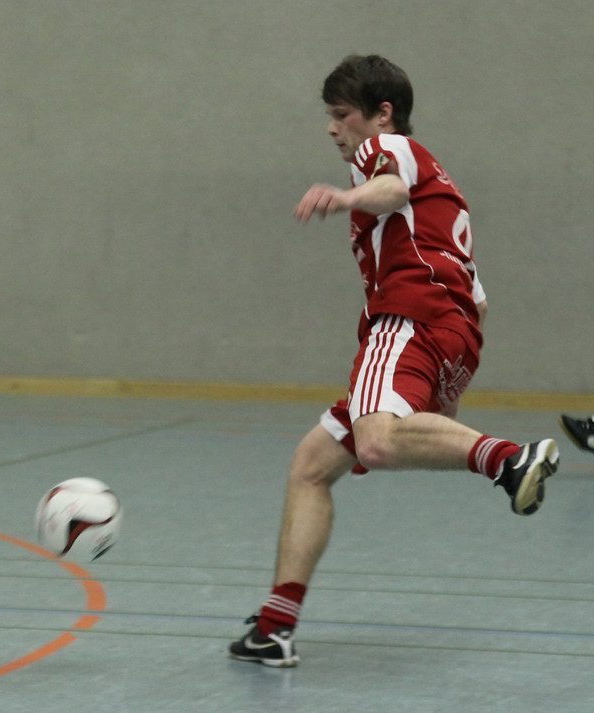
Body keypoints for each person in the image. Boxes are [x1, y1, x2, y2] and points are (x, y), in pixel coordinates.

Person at [228, 55, 559, 668]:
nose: (333, 129)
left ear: (382, 114)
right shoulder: (443, 196)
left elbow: (390, 189)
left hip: (407, 319)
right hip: (454, 332)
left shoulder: (391, 151)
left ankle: (507, 460)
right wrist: (446, 390)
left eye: (342, 115)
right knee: (310, 467)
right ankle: (273, 627)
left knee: (376, 443)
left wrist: (346, 195)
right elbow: (479, 302)